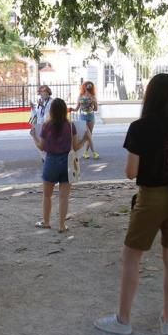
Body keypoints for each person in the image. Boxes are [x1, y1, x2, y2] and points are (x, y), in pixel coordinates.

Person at [94, 73, 168, 335]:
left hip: (150, 198)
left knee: (132, 257)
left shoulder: (139, 127)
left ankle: (124, 320)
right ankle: (167, 319)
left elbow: (131, 172)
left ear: (149, 96)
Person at [29, 98, 85, 233]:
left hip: (51, 162)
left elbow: (41, 147)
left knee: (47, 196)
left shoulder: (46, 126)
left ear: (51, 111)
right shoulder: (71, 126)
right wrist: (86, 139)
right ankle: (61, 225)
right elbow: (76, 146)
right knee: (64, 197)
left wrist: (34, 137)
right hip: (67, 163)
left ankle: (47, 222)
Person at [75, 81, 99, 159]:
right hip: (83, 116)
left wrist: (94, 103)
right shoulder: (80, 96)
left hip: (91, 116)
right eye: (87, 86)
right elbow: (77, 108)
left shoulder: (93, 96)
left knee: (89, 135)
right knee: (87, 134)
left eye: (90, 86)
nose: (88, 87)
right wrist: (70, 109)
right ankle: (93, 152)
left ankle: (85, 152)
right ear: (84, 87)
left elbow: (96, 109)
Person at [31, 85, 53, 162]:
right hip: (40, 126)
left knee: (47, 144)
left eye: (43, 92)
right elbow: (37, 115)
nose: (41, 94)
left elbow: (49, 114)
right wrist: (33, 108)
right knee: (41, 145)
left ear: (48, 92)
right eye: (40, 92)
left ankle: (48, 160)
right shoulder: (40, 101)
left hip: (48, 127)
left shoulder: (52, 102)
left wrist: (43, 106)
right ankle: (44, 159)